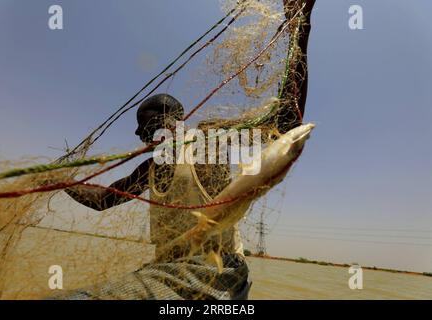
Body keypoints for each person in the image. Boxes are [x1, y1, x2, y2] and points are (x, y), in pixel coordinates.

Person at [59, 0, 316, 300]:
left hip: (217, 270)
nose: (144, 137)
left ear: (165, 124)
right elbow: (104, 200)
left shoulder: (208, 139)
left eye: (146, 128)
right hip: (167, 270)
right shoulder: (150, 169)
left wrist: (301, 24)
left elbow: (285, 121)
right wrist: (64, 183)